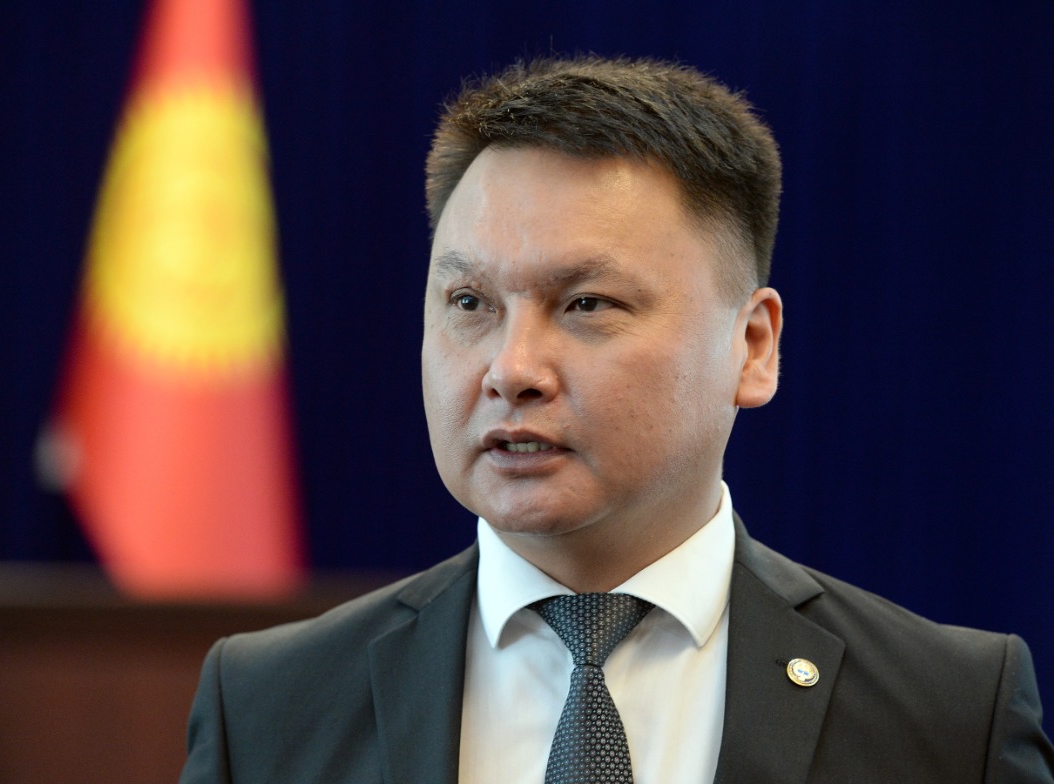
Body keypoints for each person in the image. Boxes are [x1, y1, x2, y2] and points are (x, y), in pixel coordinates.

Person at [179, 55, 1054, 783]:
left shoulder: (949, 714)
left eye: (587, 303)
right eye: (470, 302)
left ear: (752, 346)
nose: (511, 370)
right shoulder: (265, 707)